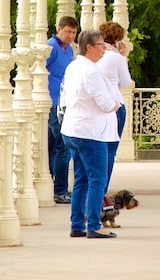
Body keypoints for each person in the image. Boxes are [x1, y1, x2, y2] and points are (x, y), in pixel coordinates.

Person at [60, 29, 122, 239]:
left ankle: (77, 224)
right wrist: (116, 104)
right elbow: (105, 104)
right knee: (97, 178)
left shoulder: (73, 67)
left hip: (73, 129)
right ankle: (94, 224)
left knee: (81, 179)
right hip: (90, 132)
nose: (104, 49)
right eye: (100, 45)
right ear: (89, 47)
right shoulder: (91, 72)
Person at [97, 21, 132, 193]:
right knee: (110, 150)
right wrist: (123, 56)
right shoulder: (116, 57)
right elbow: (125, 81)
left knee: (98, 149)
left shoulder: (96, 55)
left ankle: (96, 189)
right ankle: (102, 189)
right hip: (116, 104)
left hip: (98, 105)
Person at [46, 16, 78, 204]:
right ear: (59, 29)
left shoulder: (69, 49)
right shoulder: (51, 47)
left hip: (63, 101)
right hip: (52, 103)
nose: (71, 35)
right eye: (67, 31)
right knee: (62, 146)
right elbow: (35, 69)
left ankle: (55, 186)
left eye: (74, 32)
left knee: (54, 147)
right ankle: (60, 189)